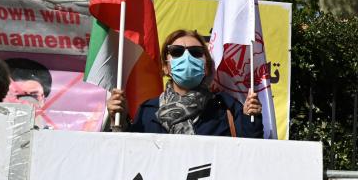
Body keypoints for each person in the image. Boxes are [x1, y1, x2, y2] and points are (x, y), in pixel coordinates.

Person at [106, 29, 262, 137]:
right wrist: (117, 120)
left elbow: (250, 155)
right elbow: (128, 157)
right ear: (166, 67)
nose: (187, 57)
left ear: (206, 67)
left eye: (196, 52)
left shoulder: (226, 107)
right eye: (176, 51)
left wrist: (251, 118)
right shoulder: (147, 111)